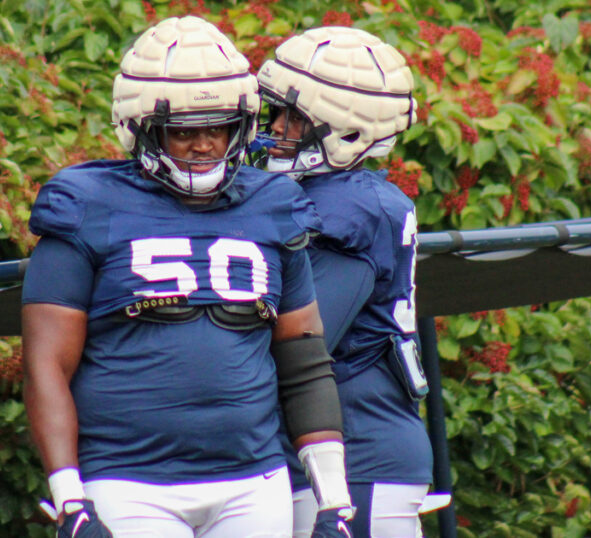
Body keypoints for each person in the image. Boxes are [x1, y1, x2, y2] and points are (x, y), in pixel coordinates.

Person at [21, 16, 356, 538]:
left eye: (217, 127)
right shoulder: (87, 205)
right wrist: (70, 499)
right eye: (183, 131)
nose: (203, 145)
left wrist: (333, 500)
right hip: (129, 482)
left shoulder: (274, 204)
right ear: (142, 129)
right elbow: (46, 365)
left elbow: (304, 361)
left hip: (254, 479)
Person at [254, 28, 447, 537]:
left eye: (292, 117)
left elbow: (304, 343)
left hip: (358, 453)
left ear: (347, 129)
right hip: (350, 449)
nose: (275, 128)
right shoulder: (346, 196)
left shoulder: (348, 210)